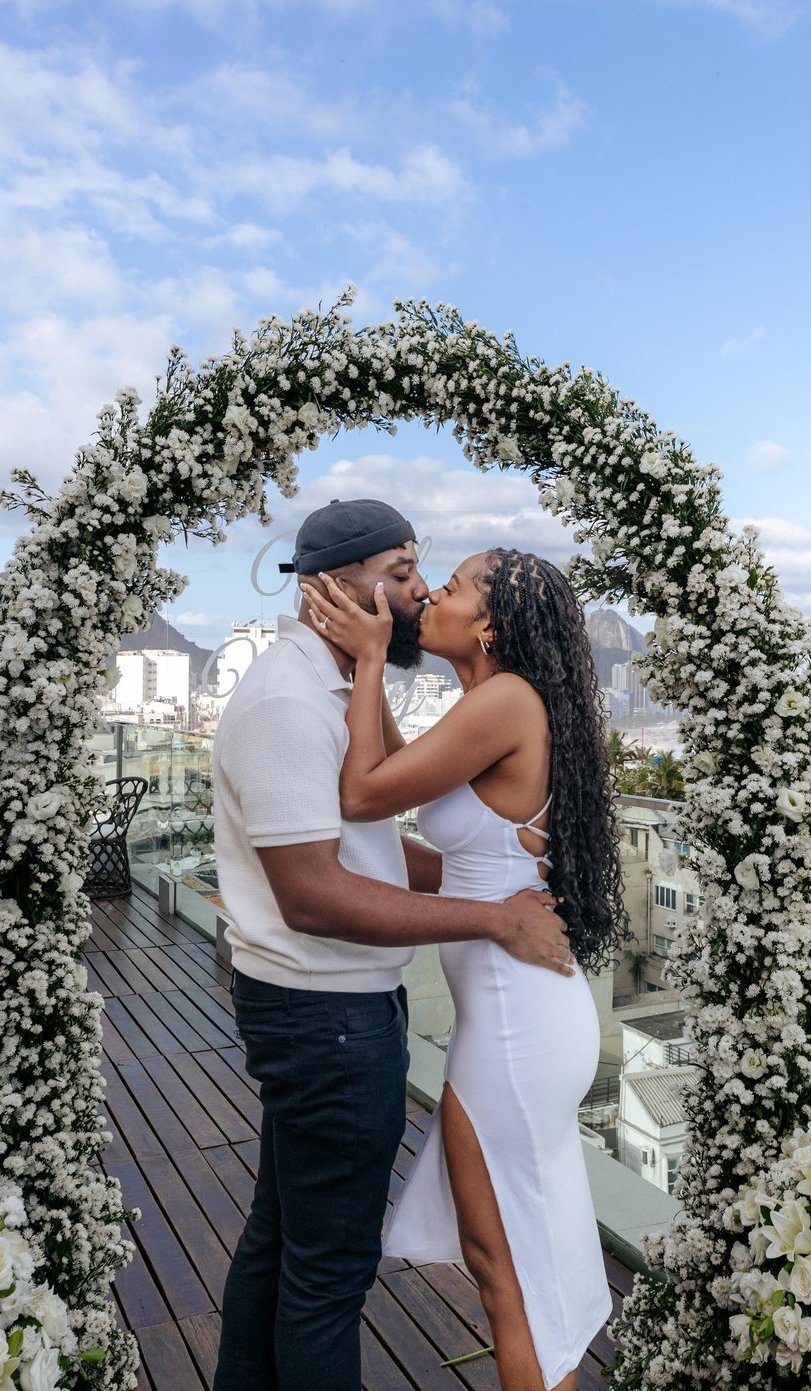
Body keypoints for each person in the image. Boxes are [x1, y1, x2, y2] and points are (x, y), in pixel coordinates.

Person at [210, 501, 575, 1391]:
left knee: (290, 1242)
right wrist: (494, 914)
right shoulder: (289, 701)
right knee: (328, 1271)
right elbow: (314, 891)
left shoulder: (344, 690)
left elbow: (370, 841)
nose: (419, 593)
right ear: (332, 589)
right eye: (404, 573)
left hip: (367, 1011)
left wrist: (495, 893)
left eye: (429, 576)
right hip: (325, 1017)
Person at [303, 546, 627, 1391]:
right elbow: (404, 778)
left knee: (507, 1274)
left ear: (489, 623)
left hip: (516, 1030)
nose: (430, 597)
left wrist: (369, 658)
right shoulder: (491, 703)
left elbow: (361, 793)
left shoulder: (507, 700)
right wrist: (374, 668)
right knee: (518, 1266)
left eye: (449, 588)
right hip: (520, 1017)